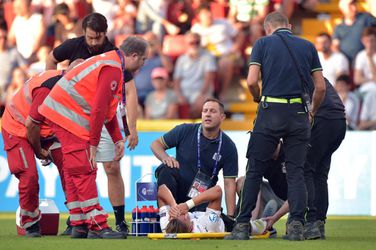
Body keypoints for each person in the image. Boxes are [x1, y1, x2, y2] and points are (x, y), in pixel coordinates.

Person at [225, 11, 326, 241]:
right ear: (289, 26)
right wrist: (312, 112)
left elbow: (251, 81)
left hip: (271, 112)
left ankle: (241, 227)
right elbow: (320, 88)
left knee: (254, 170)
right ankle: (297, 226)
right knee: (296, 173)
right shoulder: (307, 46)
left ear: (267, 28)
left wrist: (257, 97)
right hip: (299, 113)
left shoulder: (262, 44)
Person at [39, 36, 149, 239]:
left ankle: (80, 224)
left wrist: (117, 138)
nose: (143, 65)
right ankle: (98, 226)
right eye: (144, 60)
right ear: (134, 56)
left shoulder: (111, 62)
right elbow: (98, 108)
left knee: (74, 171)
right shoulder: (113, 68)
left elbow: (107, 110)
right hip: (67, 116)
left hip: (62, 113)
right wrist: (93, 143)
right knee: (84, 169)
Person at [45, 12, 129, 235]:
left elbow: (118, 97)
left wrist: (127, 130)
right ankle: (84, 223)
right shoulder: (74, 46)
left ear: (105, 34)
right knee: (80, 168)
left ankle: (114, 221)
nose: (93, 42)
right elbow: (51, 58)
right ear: (84, 33)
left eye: (98, 38)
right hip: (75, 115)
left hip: (96, 116)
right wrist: (54, 81)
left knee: (109, 167)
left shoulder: (114, 54)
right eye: (90, 38)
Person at [264, 78, 347, 240]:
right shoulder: (312, 71)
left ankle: (310, 223)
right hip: (338, 121)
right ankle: (318, 223)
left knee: (305, 170)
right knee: (320, 174)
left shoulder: (294, 73)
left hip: (321, 119)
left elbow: (287, 107)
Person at [1, 69, 70, 237]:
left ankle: (77, 219)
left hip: (45, 128)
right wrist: (39, 151)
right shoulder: (47, 89)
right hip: (17, 127)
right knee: (29, 175)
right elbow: (31, 125)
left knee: (70, 166)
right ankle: (30, 223)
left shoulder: (70, 83)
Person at [151, 98, 238, 217]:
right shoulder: (184, 130)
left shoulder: (228, 146)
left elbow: (229, 183)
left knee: (219, 222)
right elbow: (156, 144)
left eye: (212, 111)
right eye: (205, 111)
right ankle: (167, 217)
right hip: (177, 192)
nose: (207, 114)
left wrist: (231, 216)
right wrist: (165, 157)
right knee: (165, 169)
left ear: (222, 117)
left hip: (200, 198)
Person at [158, 184, 267, 236]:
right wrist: (187, 205)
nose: (177, 213)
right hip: (226, 225)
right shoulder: (207, 226)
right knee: (254, 227)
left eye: (173, 215)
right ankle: (267, 221)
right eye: (178, 214)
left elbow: (161, 189)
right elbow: (218, 191)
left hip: (203, 214)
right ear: (186, 219)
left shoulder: (167, 226)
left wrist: (173, 205)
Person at [173, 32, 217, 118]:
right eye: (191, 43)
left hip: (200, 92)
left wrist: (200, 96)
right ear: (186, 44)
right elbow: (176, 81)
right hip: (183, 91)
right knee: (170, 104)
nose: (195, 45)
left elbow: (209, 78)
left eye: (197, 42)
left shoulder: (208, 57)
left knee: (203, 104)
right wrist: (179, 95)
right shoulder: (181, 59)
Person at [354, 27, 376, 94]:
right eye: (367, 41)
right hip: (365, 88)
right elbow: (357, 79)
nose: (369, 44)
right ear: (362, 41)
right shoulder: (360, 55)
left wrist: (369, 58)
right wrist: (371, 80)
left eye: (372, 41)